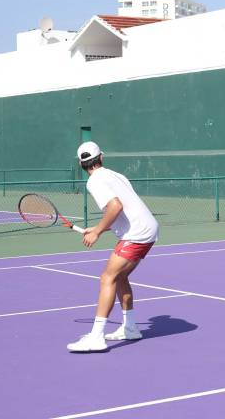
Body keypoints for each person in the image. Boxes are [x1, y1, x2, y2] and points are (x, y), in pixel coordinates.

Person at [67, 141, 160, 352]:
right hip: (146, 230)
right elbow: (126, 210)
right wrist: (97, 227)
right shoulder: (117, 176)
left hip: (137, 234)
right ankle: (130, 327)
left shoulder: (95, 181)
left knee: (107, 278)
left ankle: (96, 337)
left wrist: (98, 231)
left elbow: (115, 206)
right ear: (101, 157)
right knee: (120, 277)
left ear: (81, 165)